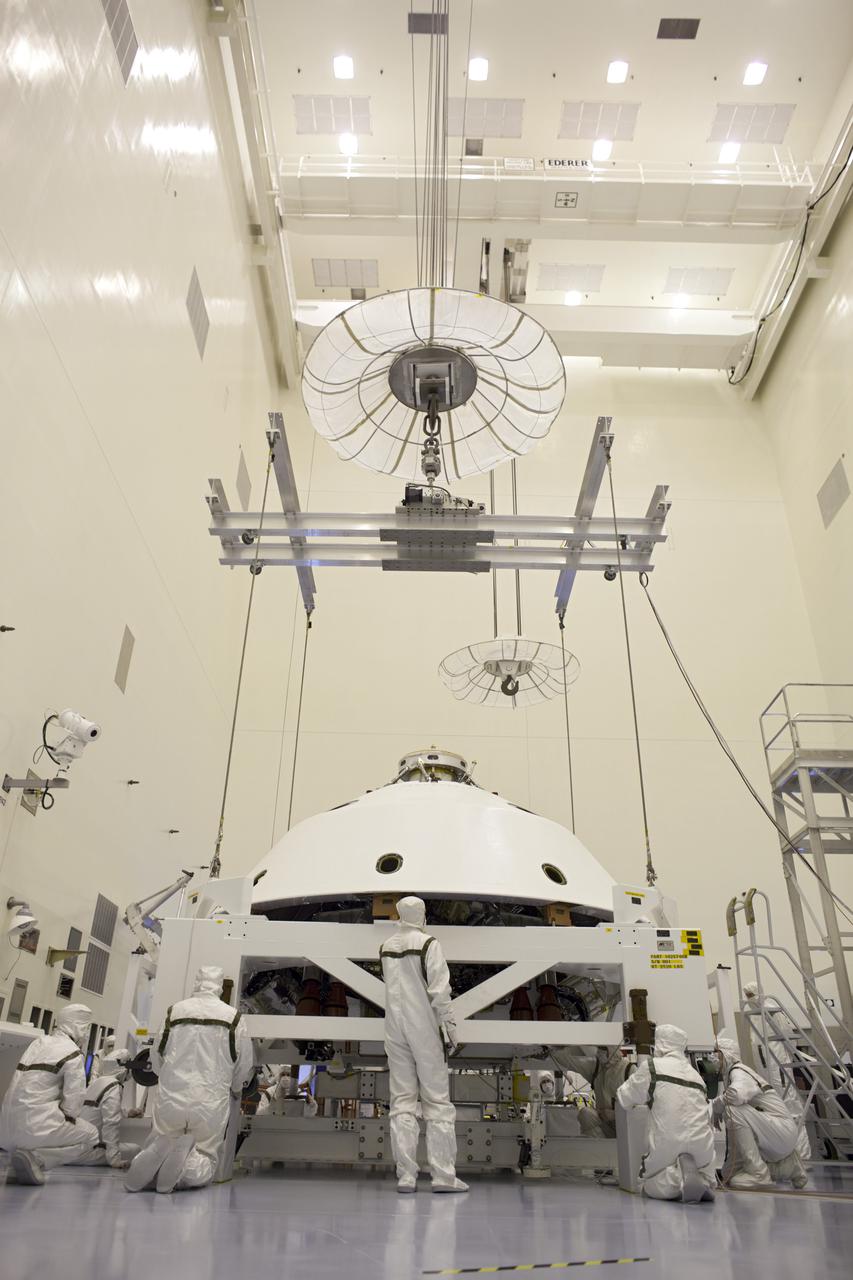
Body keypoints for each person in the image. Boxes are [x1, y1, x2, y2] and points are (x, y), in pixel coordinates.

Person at [124, 965, 253, 1194]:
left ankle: (148, 1161)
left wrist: (166, 1078)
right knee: (206, 1155)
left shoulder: (175, 1012)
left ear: (197, 983)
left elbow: (157, 1053)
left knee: (160, 1139)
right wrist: (234, 1086)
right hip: (210, 1098)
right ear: (220, 986)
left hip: (172, 1095)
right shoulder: (233, 1018)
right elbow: (244, 1061)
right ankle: (187, 1167)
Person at [380, 895, 467, 1194]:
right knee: (437, 1101)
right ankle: (443, 1176)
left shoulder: (386, 946)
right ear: (422, 915)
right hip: (423, 1027)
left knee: (402, 1100)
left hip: (394, 1027)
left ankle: (406, 1175)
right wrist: (450, 1025)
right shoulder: (429, 944)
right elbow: (439, 990)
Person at [0, 1003, 99, 1184]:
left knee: (36, 1124)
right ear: (78, 1026)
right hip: (32, 1128)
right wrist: (64, 1117)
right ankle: (38, 1159)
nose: (85, 1034)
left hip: (4, 1129)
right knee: (91, 1135)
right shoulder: (73, 1053)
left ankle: (16, 1168)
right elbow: (73, 1105)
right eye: (85, 1028)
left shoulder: (38, 1043)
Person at [616, 1023, 716, 1203]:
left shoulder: (652, 1067)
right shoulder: (697, 1077)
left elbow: (624, 1097)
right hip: (703, 1150)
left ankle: (678, 1180)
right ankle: (701, 1179)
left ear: (659, 1044)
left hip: (668, 1146)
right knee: (704, 1168)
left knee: (645, 1184)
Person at [714, 1036, 808, 1189]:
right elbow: (736, 1140)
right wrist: (726, 1174)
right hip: (778, 1133)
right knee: (733, 1178)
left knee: (732, 1109)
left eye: (715, 1052)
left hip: (780, 1130)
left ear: (726, 1053)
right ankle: (789, 1166)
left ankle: (758, 1174)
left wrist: (716, 1106)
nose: (712, 1057)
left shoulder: (739, 1072)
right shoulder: (734, 1074)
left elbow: (735, 1096)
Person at [742, 981, 811, 1162]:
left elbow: (787, 1034)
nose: (750, 998)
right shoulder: (753, 1013)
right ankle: (784, 1154)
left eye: (751, 994)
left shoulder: (771, 1008)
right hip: (765, 1066)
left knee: (791, 1105)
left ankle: (802, 1156)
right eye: (747, 995)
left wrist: (787, 1057)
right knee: (774, 1108)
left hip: (778, 1063)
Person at [71, 1050, 140, 1169]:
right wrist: (114, 1160)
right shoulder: (114, 1086)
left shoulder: (97, 1083)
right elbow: (111, 1123)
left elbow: (96, 1108)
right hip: (90, 1153)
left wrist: (127, 1113)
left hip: (75, 1148)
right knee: (136, 1149)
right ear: (124, 1068)